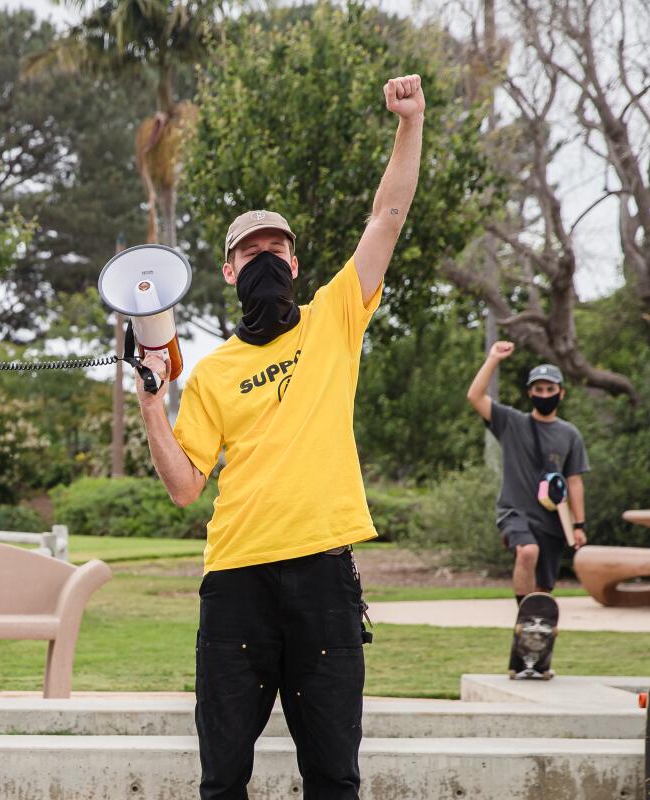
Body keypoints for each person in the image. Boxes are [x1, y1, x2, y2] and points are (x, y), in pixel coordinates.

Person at [135, 75, 425, 800]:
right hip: (234, 585)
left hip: (325, 578)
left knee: (333, 776)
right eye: (251, 252)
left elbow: (387, 216)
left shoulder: (335, 319)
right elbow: (182, 489)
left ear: (294, 266)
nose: (266, 258)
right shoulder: (211, 374)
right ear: (230, 270)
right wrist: (150, 405)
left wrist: (410, 123)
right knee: (222, 777)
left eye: (278, 250)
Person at [466, 342, 590, 603]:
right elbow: (475, 397)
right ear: (530, 392)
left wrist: (579, 524)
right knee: (527, 552)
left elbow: (575, 481)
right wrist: (493, 359)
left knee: (544, 589)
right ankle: (524, 614)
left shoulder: (570, 434)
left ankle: (534, 630)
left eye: (550, 389)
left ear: (561, 393)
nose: (544, 394)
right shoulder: (512, 422)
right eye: (538, 389)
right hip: (515, 511)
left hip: (554, 520)